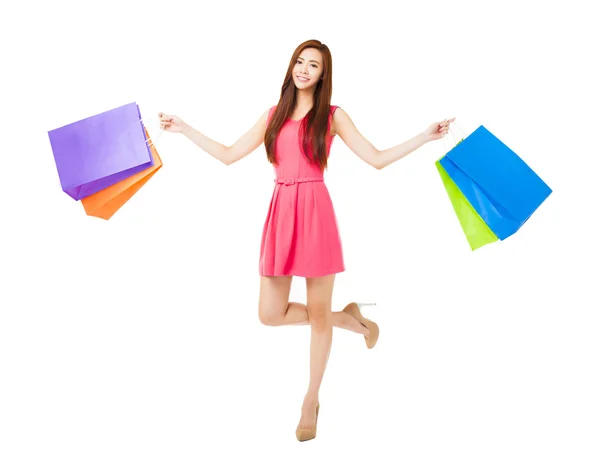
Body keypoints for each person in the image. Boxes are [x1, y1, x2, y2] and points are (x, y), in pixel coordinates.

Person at [158, 39, 453, 442]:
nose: (303, 69)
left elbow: (377, 158)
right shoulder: (273, 115)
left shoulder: (332, 116)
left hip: (315, 211)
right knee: (269, 313)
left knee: (317, 314)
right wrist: (184, 128)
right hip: (281, 211)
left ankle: (310, 400)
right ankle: (353, 321)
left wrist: (424, 137)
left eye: (313, 65)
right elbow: (228, 154)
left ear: (322, 75)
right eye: (300, 61)